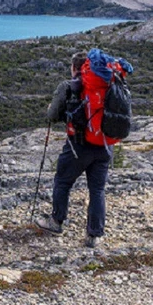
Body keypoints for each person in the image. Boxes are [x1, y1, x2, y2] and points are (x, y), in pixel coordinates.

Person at [35, 51, 112, 248]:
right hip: (104, 145)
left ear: (73, 67)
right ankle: (94, 235)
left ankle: (56, 221)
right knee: (97, 189)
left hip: (78, 145)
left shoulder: (68, 86)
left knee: (62, 181)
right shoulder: (108, 85)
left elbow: (52, 115)